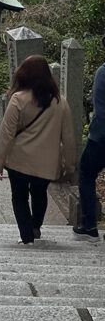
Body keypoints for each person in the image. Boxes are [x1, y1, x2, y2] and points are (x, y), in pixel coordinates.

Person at [0, 55, 75, 245]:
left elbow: (6, 134)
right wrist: (69, 165)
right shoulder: (60, 102)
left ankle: (27, 236)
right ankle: (35, 226)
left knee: (19, 197)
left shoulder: (18, 99)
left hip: (18, 160)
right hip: (46, 162)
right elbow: (68, 138)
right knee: (39, 194)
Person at [73, 59, 105, 243]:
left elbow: (101, 111)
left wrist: (95, 133)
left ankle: (90, 226)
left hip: (100, 138)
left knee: (86, 174)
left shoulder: (102, 72)